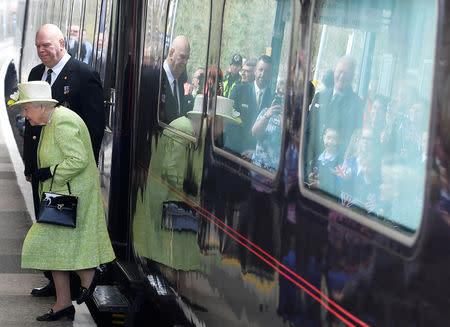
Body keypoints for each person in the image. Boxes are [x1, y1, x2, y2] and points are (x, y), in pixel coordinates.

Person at [9, 81, 115, 321]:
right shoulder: (51, 120)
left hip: (68, 197)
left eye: (26, 109)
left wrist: (50, 172)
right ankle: (63, 303)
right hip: (59, 195)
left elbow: (78, 160)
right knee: (54, 248)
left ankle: (89, 275)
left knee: (44, 242)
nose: (25, 115)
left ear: (41, 105)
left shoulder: (63, 122)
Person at [24, 23, 105, 298]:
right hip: (42, 170)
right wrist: (28, 164)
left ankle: (76, 284)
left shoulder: (84, 75)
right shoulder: (36, 74)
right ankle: (56, 285)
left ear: (61, 43)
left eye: (46, 45)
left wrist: (79, 174)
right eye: (37, 46)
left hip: (66, 175)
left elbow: (93, 131)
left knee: (60, 230)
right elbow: (32, 129)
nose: (41, 51)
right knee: (48, 225)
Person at [306, 56, 364, 164]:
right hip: (307, 162)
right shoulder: (320, 96)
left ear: (352, 77)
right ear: (334, 72)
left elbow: (350, 143)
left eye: (346, 74)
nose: (341, 76)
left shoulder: (357, 105)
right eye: (340, 71)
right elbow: (307, 130)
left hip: (332, 167)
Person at [227, 55, 273, 156]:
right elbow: (230, 124)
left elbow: (270, 135)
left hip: (257, 159)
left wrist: (255, 153)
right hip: (235, 153)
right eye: (260, 70)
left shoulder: (272, 101)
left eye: (267, 72)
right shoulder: (239, 91)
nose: (262, 74)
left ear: (271, 75)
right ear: (255, 71)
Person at [160, 35, 190, 123]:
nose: (185, 62)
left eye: (187, 58)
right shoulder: (157, 77)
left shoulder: (180, 83)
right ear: (171, 53)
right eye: (182, 57)